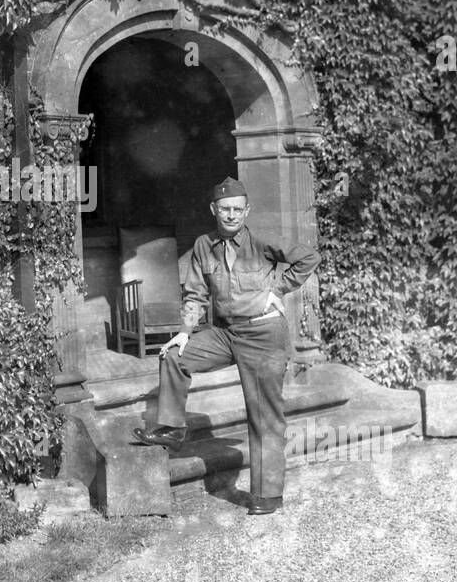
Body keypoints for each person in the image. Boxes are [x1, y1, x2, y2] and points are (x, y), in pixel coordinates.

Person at [132, 177, 321, 515]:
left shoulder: (262, 241)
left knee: (264, 417)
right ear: (213, 210)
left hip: (264, 336)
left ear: (246, 211)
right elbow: (195, 293)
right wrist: (185, 331)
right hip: (225, 334)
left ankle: (267, 495)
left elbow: (307, 257)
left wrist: (276, 289)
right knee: (175, 356)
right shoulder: (204, 245)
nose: (231, 215)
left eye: (237, 209)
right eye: (225, 210)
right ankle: (173, 429)